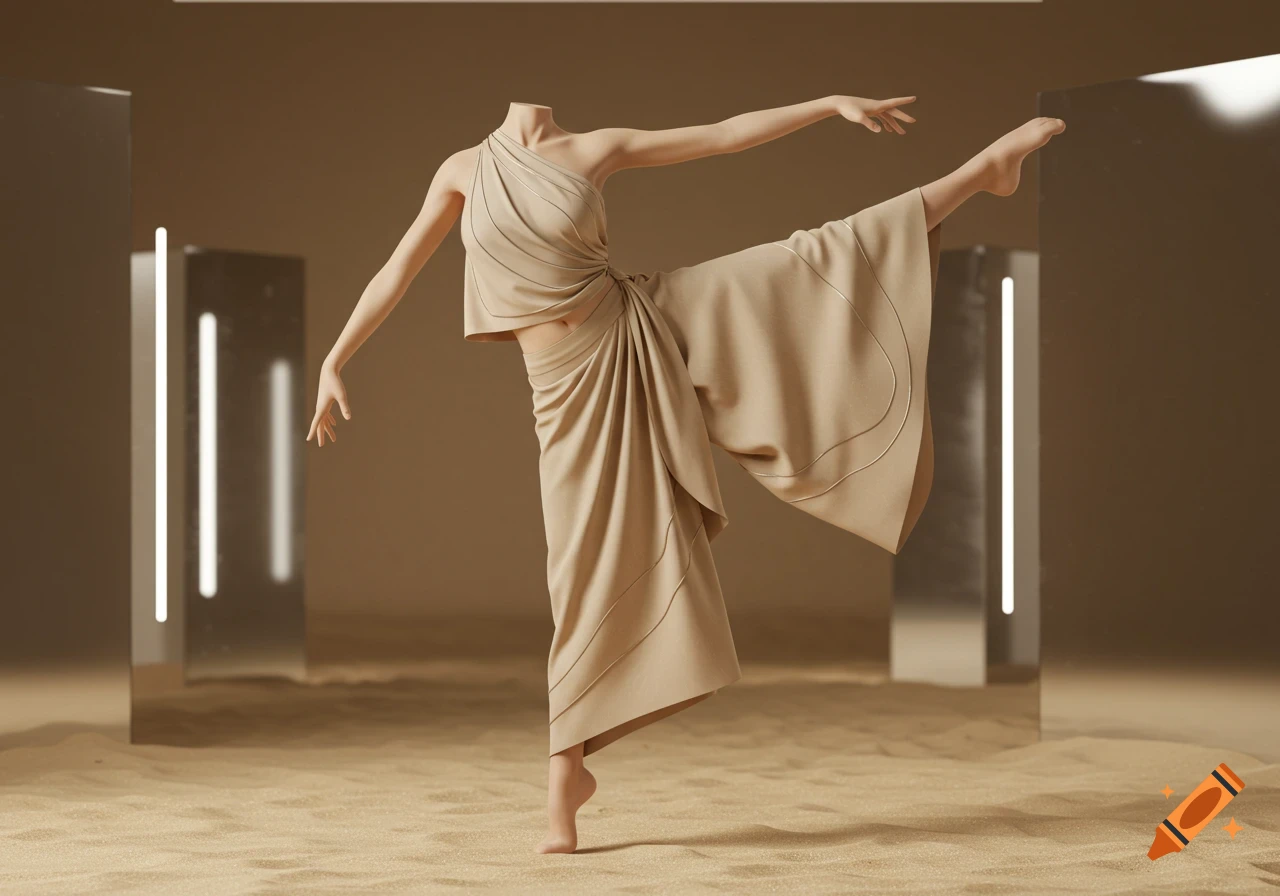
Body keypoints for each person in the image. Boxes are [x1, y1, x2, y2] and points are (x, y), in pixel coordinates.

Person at [307, 98, 1065, 854]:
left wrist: (828, 104)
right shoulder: (463, 170)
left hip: (640, 329)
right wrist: (335, 359)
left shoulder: (593, 149)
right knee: (577, 568)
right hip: (564, 385)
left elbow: (723, 136)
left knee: (802, 265)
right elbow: (397, 268)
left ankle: (981, 172)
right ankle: (571, 763)